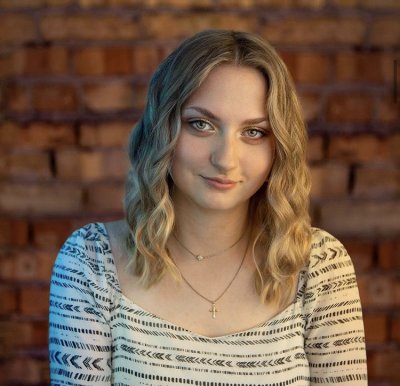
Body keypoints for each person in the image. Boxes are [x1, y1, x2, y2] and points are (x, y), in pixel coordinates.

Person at [49, 29, 367, 385]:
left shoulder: (321, 265)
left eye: (254, 132)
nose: (225, 159)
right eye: (201, 124)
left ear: (279, 146)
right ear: (162, 129)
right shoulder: (90, 261)